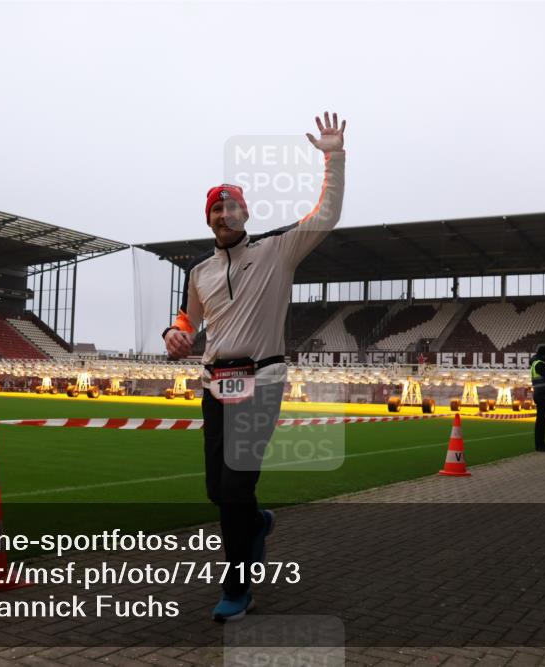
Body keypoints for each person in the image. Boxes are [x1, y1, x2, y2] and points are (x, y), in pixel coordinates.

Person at [163, 112, 346, 622]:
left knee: (235, 487)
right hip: (213, 383)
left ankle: (237, 587)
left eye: (234, 205)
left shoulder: (276, 251)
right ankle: (258, 524)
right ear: (209, 219)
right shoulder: (198, 272)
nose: (227, 213)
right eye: (218, 208)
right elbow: (187, 319)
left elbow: (325, 215)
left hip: (261, 380)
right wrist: (175, 334)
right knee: (217, 492)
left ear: (246, 212)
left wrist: (333, 155)